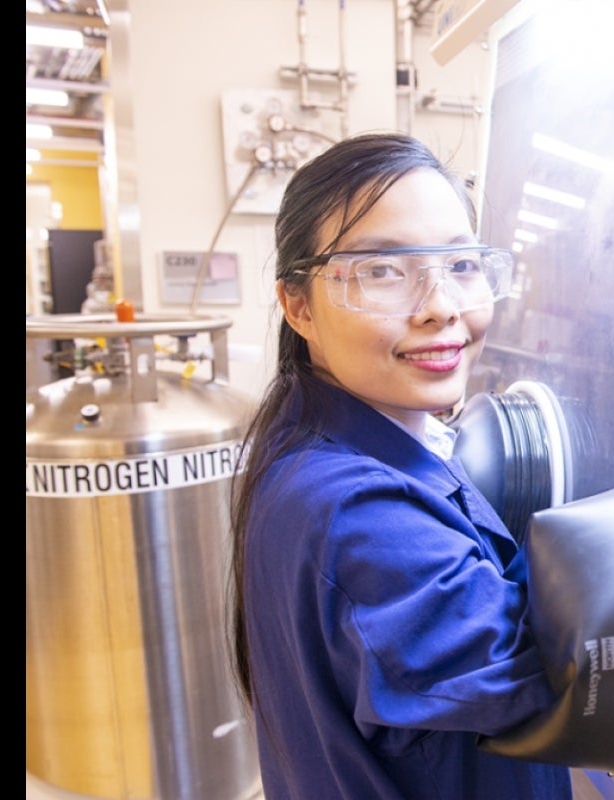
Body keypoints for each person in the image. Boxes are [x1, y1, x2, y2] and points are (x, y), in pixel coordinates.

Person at [228, 132, 574, 799]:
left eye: (461, 265)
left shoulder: (317, 437)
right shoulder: (357, 516)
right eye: (384, 270)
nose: (441, 305)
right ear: (298, 305)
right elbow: (557, 683)